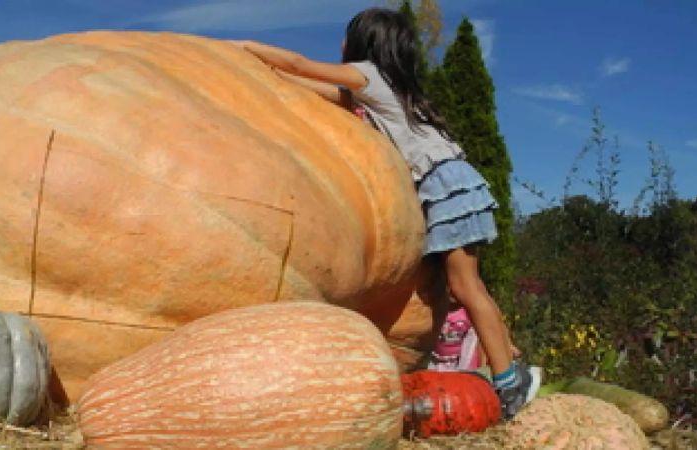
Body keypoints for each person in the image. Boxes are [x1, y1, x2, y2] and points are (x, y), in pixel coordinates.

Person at [230, 7, 540, 419]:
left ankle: (509, 385)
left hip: (445, 186)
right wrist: (267, 77)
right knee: (465, 288)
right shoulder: (383, 89)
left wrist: (244, 48)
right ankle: (505, 367)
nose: (341, 45)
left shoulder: (368, 74)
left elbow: (301, 64)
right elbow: (306, 83)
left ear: (366, 43)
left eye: (347, 37)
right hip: (450, 185)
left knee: (466, 289)